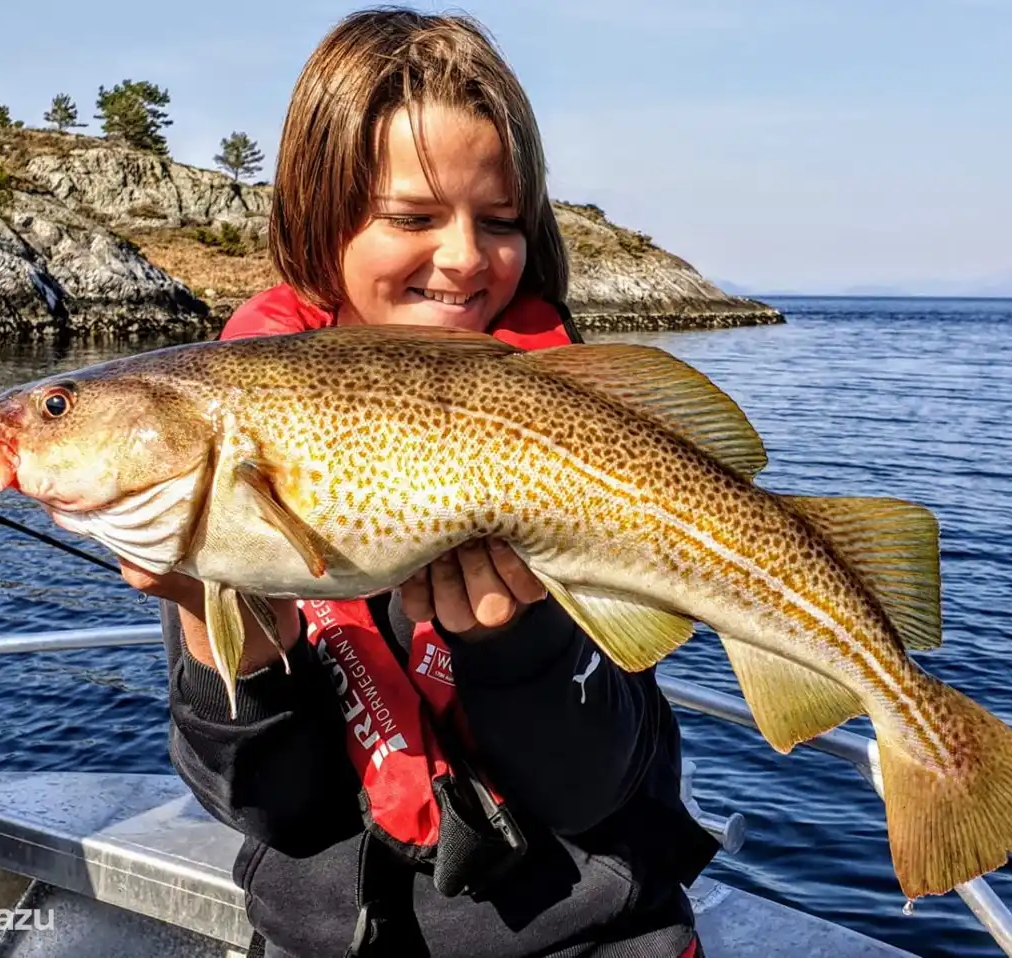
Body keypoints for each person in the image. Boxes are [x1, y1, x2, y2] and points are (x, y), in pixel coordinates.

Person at [114, 9, 719, 957]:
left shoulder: (574, 432)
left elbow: (598, 786)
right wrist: (223, 632)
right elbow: (272, 808)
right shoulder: (228, 467)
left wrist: (517, 647)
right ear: (321, 222)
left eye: (503, 220)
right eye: (411, 217)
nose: (468, 256)